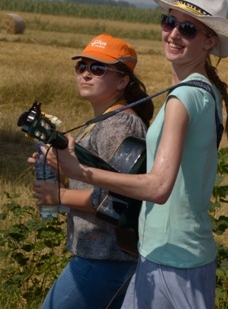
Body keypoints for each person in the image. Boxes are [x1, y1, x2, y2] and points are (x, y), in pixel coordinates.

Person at [52, 0, 228, 309]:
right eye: (169, 22)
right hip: (160, 251)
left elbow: (158, 186)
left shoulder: (185, 98)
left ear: (210, 41)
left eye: (188, 28)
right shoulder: (200, 92)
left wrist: (80, 171)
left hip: (175, 257)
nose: (173, 33)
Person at [32, 34, 153, 309]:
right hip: (100, 255)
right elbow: (88, 177)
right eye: (81, 67)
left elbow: (116, 200)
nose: (86, 74)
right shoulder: (104, 120)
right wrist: (56, 165)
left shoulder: (118, 126)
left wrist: (58, 196)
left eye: (98, 69)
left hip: (106, 258)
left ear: (122, 82)